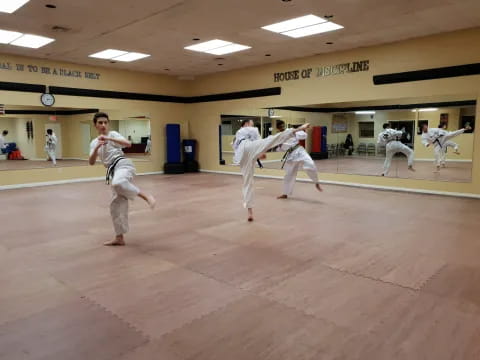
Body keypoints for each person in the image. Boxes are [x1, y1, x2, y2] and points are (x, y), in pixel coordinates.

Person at [88, 112, 156, 246]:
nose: (103, 125)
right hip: (113, 171)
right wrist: (97, 147)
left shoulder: (113, 134)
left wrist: (110, 139)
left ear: (108, 124)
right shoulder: (94, 142)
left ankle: (145, 196)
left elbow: (128, 143)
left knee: (118, 183)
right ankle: (119, 237)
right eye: (100, 123)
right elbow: (91, 161)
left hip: (123, 165)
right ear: (95, 125)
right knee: (115, 206)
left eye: (105, 122)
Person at [232, 119, 311, 221]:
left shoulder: (243, 134)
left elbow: (258, 145)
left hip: (244, 156)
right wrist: (260, 152)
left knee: (247, 183)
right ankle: (298, 129)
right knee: (273, 139)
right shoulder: (243, 132)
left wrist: (260, 154)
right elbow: (261, 143)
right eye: (251, 123)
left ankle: (250, 212)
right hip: (245, 152)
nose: (252, 125)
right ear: (246, 124)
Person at [276, 124, 322, 199]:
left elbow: (304, 136)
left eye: (282, 126)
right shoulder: (279, 137)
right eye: (279, 127)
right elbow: (280, 149)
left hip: (299, 151)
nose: (281, 128)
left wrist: (300, 130)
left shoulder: (291, 131)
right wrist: (279, 146)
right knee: (288, 175)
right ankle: (285, 193)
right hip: (290, 155)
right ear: (277, 128)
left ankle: (316, 182)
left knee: (310, 164)